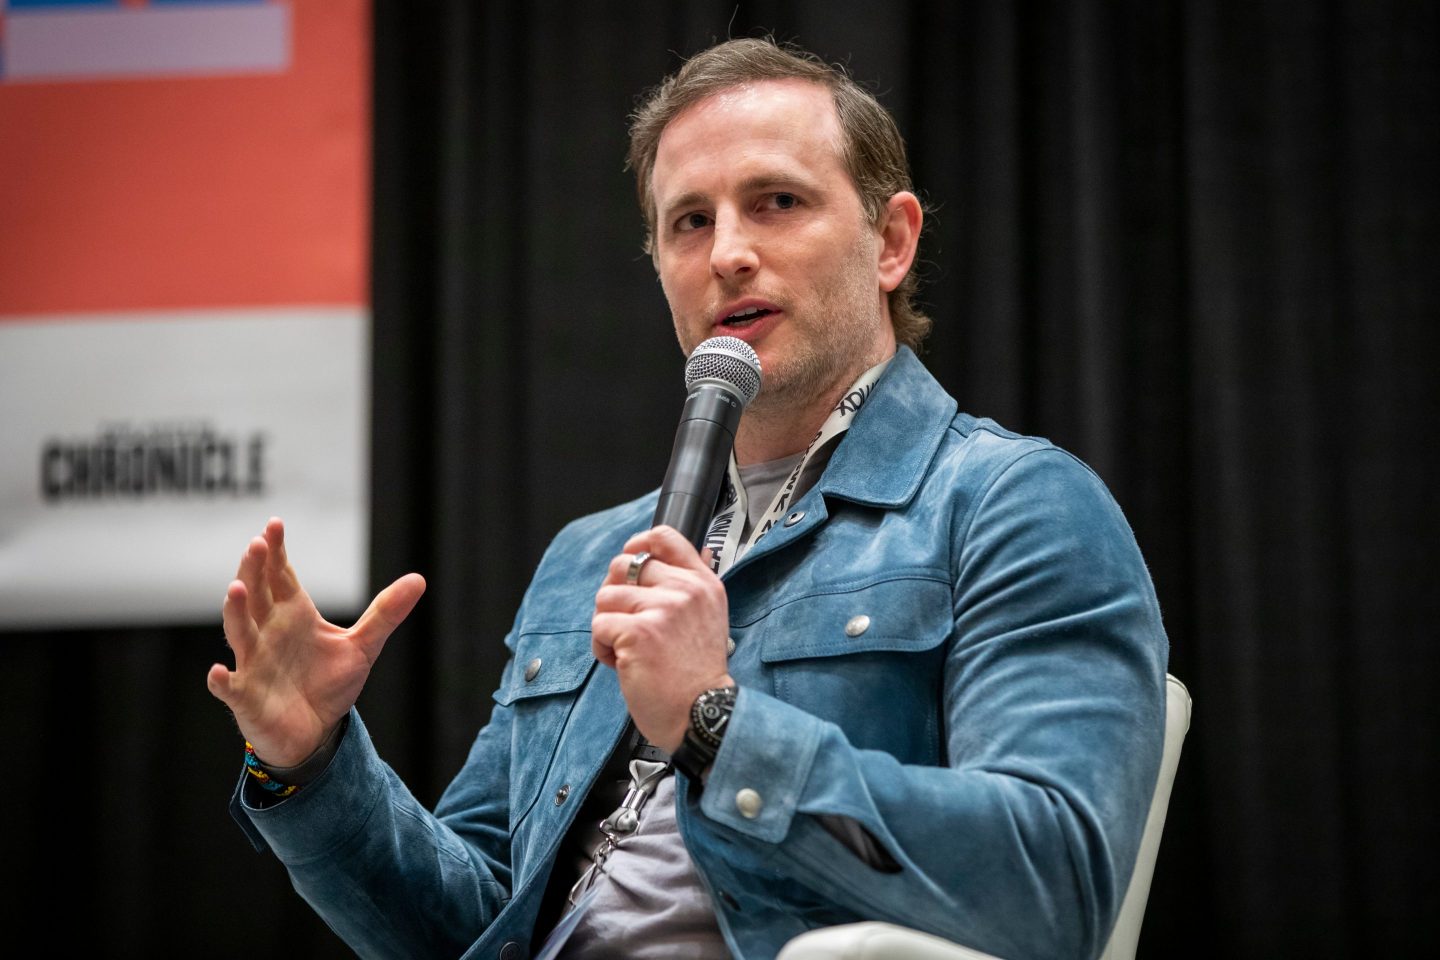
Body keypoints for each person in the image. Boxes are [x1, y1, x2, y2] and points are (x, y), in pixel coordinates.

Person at [209, 38, 1168, 960]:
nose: (728, 254)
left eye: (777, 202)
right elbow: (471, 924)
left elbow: (1055, 886)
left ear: (892, 242)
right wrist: (313, 763)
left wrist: (716, 725)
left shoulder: (1010, 506)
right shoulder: (591, 556)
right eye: (690, 222)